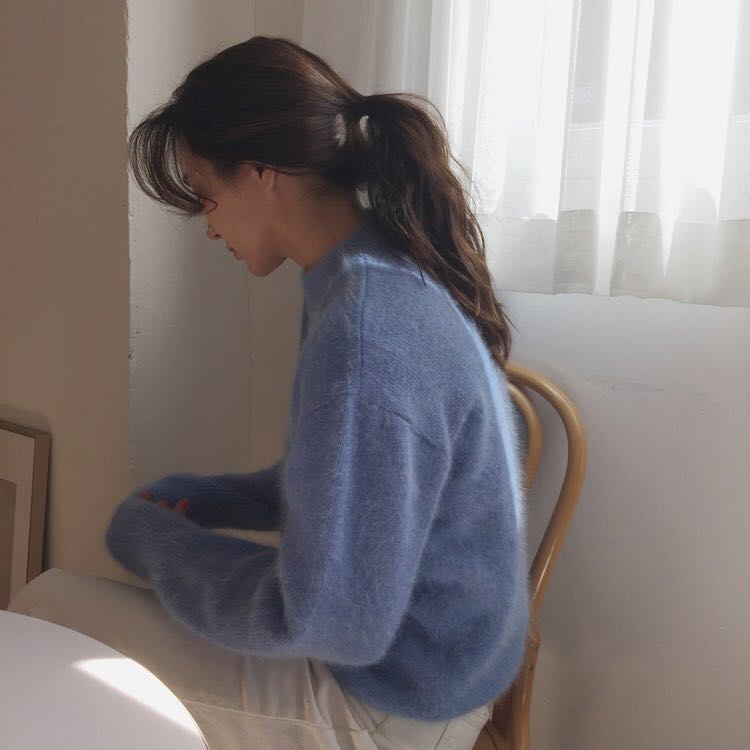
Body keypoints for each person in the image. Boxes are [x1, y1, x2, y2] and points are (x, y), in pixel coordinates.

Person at [8, 35, 530, 750]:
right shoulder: (370, 271)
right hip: (436, 664)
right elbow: (353, 496)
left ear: (262, 174)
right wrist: (211, 499)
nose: (209, 225)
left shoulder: (364, 330)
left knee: (46, 608)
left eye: (206, 195)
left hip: (395, 700)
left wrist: (156, 542)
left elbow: (330, 620)